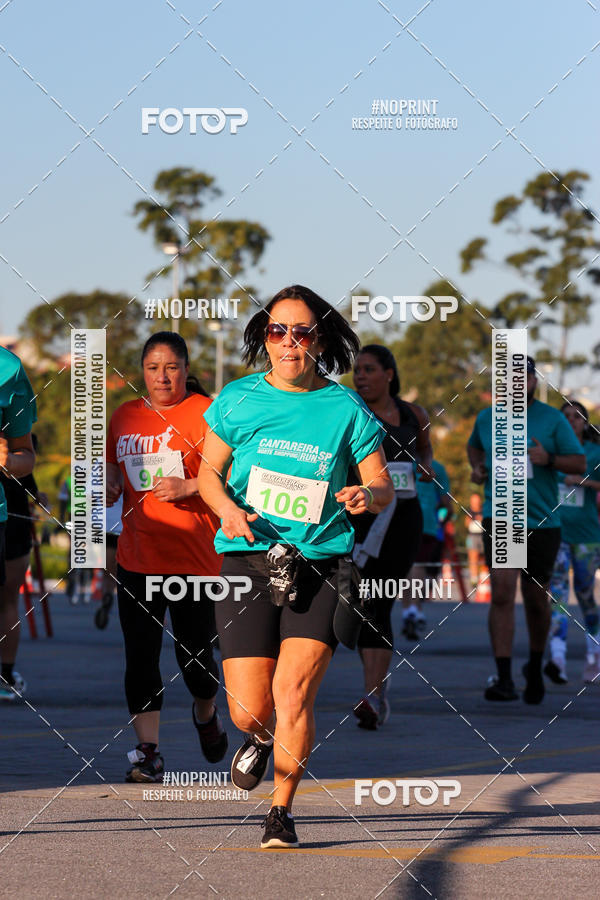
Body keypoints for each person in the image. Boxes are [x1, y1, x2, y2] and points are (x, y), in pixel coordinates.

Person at [199, 285, 394, 848]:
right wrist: (227, 509)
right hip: (247, 558)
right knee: (248, 709)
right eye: (278, 331)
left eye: (302, 331)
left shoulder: (344, 407)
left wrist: (367, 495)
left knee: (294, 693)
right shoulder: (238, 399)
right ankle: (257, 740)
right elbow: (209, 475)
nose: (289, 342)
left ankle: (281, 810)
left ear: (321, 339)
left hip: (322, 563)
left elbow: (380, 483)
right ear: (265, 338)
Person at [106, 331, 228, 782]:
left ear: (185, 368)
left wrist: (189, 486)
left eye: (171, 367)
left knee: (195, 659)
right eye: (153, 367)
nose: (161, 376)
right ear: (142, 371)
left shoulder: (207, 412)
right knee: (140, 657)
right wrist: (112, 484)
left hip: (194, 559)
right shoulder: (124, 416)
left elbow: (232, 476)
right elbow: (110, 471)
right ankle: (149, 751)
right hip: (137, 558)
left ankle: (205, 709)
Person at [468, 355, 585, 704]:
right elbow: (474, 446)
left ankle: (534, 665)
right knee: (502, 592)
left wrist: (547, 459)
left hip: (542, 520)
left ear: (534, 381)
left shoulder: (551, 419)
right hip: (502, 516)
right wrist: (477, 468)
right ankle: (504, 678)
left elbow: (578, 462)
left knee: (536, 600)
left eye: (524, 378)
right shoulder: (487, 417)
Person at [349, 345, 434, 727]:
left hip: (403, 520)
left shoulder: (413, 415)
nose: (360, 376)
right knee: (364, 602)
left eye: (368, 369)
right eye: (357, 370)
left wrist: (426, 468)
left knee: (379, 603)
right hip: (361, 517)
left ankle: (373, 695)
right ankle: (374, 692)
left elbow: (425, 453)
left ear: (389, 373)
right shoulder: (349, 409)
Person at [546, 400, 600, 684]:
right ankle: (557, 657)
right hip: (557, 532)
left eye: (577, 416)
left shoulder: (594, 452)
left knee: (586, 593)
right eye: (565, 416)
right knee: (557, 594)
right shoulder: (550, 453)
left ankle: (594, 652)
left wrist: (585, 482)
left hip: (587, 536)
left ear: (585, 422)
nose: (571, 420)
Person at [0, 348, 37, 701]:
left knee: (6, 596)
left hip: (9, 510)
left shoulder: (7, 369)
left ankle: (5, 673)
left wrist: (9, 459)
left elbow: (26, 455)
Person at [0, 434, 47, 701]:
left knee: (7, 603)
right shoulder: (18, 450)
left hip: (14, 529)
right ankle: (5, 677)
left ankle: (6, 677)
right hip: (15, 531)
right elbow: (34, 492)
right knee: (7, 603)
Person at [404, 458, 453, 638]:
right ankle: (415, 607)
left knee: (406, 566)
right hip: (428, 523)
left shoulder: (400, 462)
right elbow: (447, 504)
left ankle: (407, 609)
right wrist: (442, 520)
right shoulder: (437, 468)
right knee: (420, 565)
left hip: (401, 520)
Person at [465, 493, 485, 589]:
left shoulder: (483, 511)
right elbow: (466, 524)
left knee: (483, 557)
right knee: (473, 556)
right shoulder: (469, 511)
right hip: (472, 536)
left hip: (482, 536)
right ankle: (474, 579)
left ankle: (483, 577)